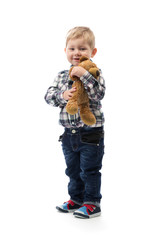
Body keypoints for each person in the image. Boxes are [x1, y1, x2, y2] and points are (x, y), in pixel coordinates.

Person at [44, 26, 105, 219]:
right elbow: (48, 96)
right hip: (69, 134)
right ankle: (76, 199)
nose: (77, 53)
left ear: (92, 52)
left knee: (89, 170)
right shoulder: (62, 75)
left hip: (90, 134)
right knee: (72, 170)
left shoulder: (94, 72)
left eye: (82, 49)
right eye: (72, 48)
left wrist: (84, 75)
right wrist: (63, 95)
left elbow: (98, 94)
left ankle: (92, 203)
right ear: (65, 51)